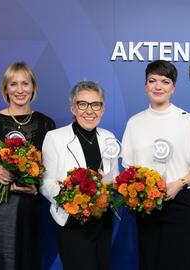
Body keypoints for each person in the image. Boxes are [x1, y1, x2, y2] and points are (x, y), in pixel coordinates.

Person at [121, 60, 190, 270]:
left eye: (165, 81)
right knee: (150, 263)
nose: (158, 86)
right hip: (147, 206)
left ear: (173, 88)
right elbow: (129, 169)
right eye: (152, 80)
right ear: (145, 85)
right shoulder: (135, 123)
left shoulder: (187, 120)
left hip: (181, 203)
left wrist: (179, 183)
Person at [0, 62, 55, 270]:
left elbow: (50, 169)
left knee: (28, 260)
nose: (20, 90)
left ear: (33, 88)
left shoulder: (46, 124)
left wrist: (36, 187)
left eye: (25, 83)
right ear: (5, 89)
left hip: (30, 208)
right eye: (13, 84)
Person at [40, 80, 118, 270]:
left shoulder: (109, 137)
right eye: (82, 104)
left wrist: (111, 185)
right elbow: (45, 183)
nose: (89, 111)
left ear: (103, 109)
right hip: (72, 221)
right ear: (73, 108)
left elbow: (113, 178)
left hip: (103, 220)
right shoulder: (55, 137)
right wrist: (70, 196)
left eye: (96, 105)